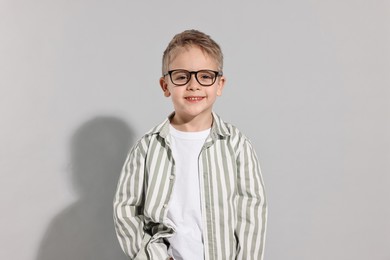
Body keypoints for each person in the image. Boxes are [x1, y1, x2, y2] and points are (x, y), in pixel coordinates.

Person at [113, 29, 267, 260]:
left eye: (205, 76)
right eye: (182, 76)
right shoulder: (146, 148)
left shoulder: (237, 145)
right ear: (166, 86)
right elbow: (126, 208)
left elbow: (252, 213)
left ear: (220, 84)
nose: (193, 85)